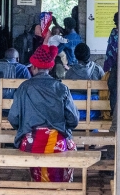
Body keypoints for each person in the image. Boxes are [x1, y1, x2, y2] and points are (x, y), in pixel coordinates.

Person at [8, 45, 80, 182]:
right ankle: (60, 183)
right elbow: (73, 120)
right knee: (68, 144)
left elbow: (13, 118)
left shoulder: (24, 87)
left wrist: (25, 126)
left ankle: (37, 181)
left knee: (33, 144)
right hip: (56, 144)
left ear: (33, 67)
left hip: (30, 143)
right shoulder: (61, 88)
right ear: (50, 68)